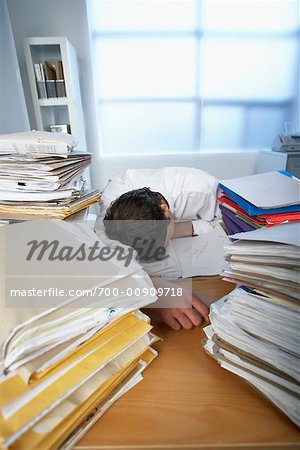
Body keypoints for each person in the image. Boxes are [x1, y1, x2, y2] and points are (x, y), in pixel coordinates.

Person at [101, 167, 220, 331]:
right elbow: (108, 254)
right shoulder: (112, 206)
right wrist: (157, 290)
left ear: (165, 208)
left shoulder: (200, 188)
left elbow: (224, 223)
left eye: (163, 243)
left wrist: (185, 229)